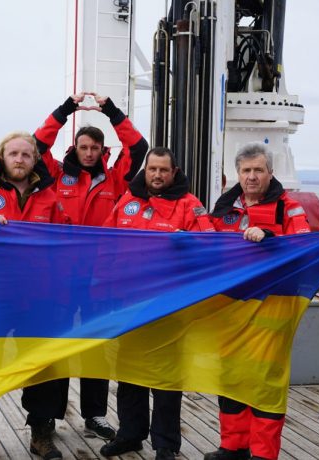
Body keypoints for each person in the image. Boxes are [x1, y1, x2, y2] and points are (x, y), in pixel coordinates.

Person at [32, 91, 148, 440]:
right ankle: (49, 415)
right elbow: (37, 145)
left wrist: (110, 110)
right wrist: (66, 109)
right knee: (57, 343)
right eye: (83, 147)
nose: (89, 153)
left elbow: (138, 148)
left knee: (96, 343)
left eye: (95, 148)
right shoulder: (55, 175)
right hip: (60, 277)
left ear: (102, 150)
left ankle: (94, 415)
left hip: (100, 278)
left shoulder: (116, 179)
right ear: (75, 148)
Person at [0, 131, 69, 460]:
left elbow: (68, 241)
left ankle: (41, 434)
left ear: (35, 160)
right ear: (1, 158)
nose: (19, 159)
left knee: (41, 365)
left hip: (39, 297)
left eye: (26, 154)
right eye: (13, 153)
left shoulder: (50, 198)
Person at [100, 147, 215, 460]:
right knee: (129, 372)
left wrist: (187, 243)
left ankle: (165, 443)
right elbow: (106, 241)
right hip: (129, 302)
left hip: (169, 305)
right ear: (145, 170)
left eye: (164, 170)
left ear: (173, 172)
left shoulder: (190, 204)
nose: (157, 175)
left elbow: (211, 244)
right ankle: (130, 434)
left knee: (166, 377)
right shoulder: (127, 200)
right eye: (152, 169)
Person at [205, 142, 310, 460]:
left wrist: (271, 239)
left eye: (258, 170)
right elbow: (207, 243)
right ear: (237, 173)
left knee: (265, 382)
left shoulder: (288, 207)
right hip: (231, 307)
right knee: (230, 376)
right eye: (246, 170)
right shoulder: (224, 208)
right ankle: (233, 446)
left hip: (271, 308)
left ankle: (263, 453)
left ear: (270, 173)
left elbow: (304, 244)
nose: (252, 176)